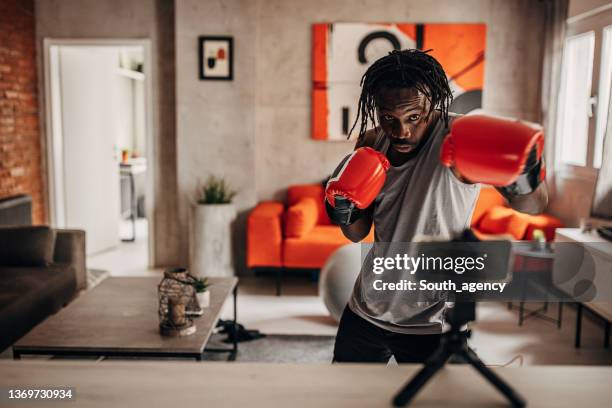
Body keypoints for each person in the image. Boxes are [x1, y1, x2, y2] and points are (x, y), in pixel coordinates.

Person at [325, 49, 548, 364]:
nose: (401, 131)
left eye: (413, 117)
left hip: (431, 319)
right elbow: (357, 234)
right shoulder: (371, 143)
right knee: (346, 396)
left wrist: (524, 176)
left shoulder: (462, 137)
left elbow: (534, 206)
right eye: (389, 118)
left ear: (434, 103)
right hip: (367, 309)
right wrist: (344, 211)